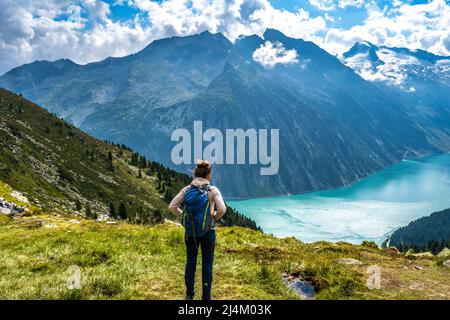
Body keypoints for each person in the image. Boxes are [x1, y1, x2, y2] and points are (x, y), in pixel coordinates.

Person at [169, 160, 226, 300]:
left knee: (190, 263)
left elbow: (172, 206)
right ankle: (206, 297)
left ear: (195, 175)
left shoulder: (187, 189)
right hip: (209, 232)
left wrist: (184, 216)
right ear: (208, 175)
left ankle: (189, 294)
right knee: (207, 264)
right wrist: (213, 217)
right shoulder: (212, 190)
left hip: (191, 232)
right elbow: (223, 209)